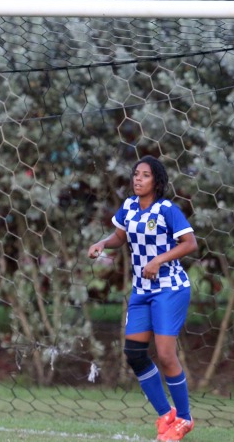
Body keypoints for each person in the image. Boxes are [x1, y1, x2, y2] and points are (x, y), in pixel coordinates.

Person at [87, 155, 198, 442]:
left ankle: (185, 419)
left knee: (164, 354)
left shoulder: (167, 210)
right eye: (136, 174)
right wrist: (102, 243)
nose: (138, 179)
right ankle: (166, 415)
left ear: (156, 181)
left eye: (145, 175)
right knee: (135, 354)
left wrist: (159, 260)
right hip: (141, 291)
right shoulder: (129, 207)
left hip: (169, 288)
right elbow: (119, 237)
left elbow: (190, 243)